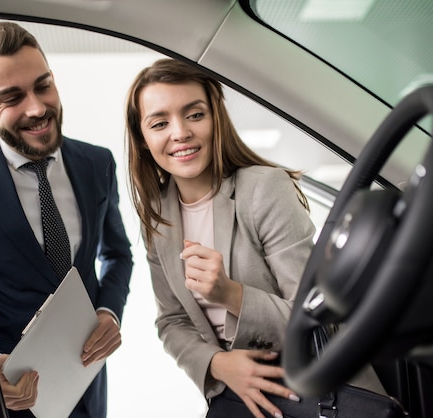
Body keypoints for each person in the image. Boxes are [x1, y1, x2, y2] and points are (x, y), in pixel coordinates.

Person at [124, 58, 384, 418]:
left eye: (195, 114)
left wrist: (229, 293)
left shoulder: (264, 189)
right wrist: (218, 364)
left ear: (215, 119)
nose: (180, 132)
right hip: (237, 395)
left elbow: (318, 316)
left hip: (316, 389)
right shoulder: (157, 216)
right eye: (160, 123)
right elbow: (171, 321)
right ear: (143, 138)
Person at [0, 21, 133, 418]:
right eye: (12, 97)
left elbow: (118, 254)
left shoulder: (97, 163)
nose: (37, 108)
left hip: (88, 383)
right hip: (12, 393)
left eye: (43, 85)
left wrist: (109, 311)